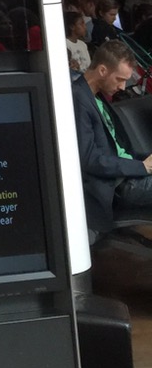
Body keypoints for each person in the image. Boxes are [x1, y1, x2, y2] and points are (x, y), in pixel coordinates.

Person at [70, 41, 152, 237]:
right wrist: (142, 167)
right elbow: (90, 159)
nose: (123, 87)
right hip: (117, 184)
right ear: (102, 70)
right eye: (119, 79)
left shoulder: (95, 96)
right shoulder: (78, 99)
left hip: (128, 171)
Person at [65, 8, 91, 73]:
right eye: (81, 24)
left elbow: (89, 65)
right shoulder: (66, 44)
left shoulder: (83, 45)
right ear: (72, 27)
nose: (85, 27)